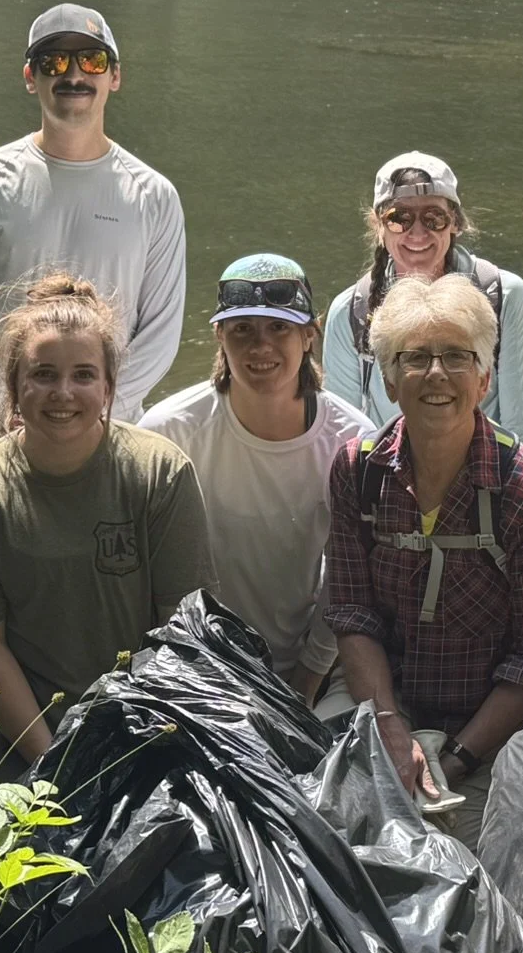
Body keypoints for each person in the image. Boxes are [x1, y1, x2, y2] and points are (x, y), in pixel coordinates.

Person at [0, 2, 187, 781]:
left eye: (90, 61)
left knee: (108, 611)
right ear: (29, 75)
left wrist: (94, 422)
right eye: (55, 61)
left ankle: (109, 767)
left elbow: (160, 329)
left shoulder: (151, 195)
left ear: (115, 77)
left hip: (105, 452)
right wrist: (9, 415)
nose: (73, 76)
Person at [0, 274, 215, 789]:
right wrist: (56, 767)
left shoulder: (160, 472)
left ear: (109, 387)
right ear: (13, 385)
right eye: (43, 374)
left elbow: (182, 636)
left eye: (83, 375)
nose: (62, 393)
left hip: (148, 715)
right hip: (23, 726)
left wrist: (128, 747)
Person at [324, 275, 523, 849]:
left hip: (495, 726)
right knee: (335, 837)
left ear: (484, 378)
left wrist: (453, 762)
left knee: (478, 854)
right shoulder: (356, 473)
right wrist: (389, 727)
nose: (436, 374)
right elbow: (353, 614)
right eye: (415, 358)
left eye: (457, 356)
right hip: (388, 704)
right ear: (388, 378)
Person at [139, 254, 373, 703]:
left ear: (310, 335)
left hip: (312, 663)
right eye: (242, 328)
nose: (260, 346)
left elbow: (347, 579)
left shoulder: (352, 441)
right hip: (197, 661)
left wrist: (306, 679)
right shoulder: (168, 432)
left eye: (279, 328)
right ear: (219, 337)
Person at [323, 152, 523, 449]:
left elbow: (521, 430)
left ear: (455, 223)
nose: (417, 232)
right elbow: (343, 435)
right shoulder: (349, 312)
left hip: (486, 479)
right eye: (399, 218)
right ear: (378, 226)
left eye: (433, 217)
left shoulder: (505, 294)